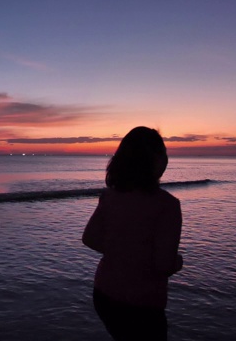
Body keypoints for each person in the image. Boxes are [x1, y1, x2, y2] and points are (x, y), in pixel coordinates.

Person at [82, 126, 183, 341]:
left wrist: (122, 250)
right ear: (154, 160)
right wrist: (178, 262)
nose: (166, 159)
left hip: (104, 294)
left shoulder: (110, 196)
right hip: (142, 304)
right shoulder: (167, 206)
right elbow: (164, 264)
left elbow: (90, 238)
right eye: (163, 152)